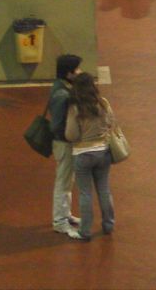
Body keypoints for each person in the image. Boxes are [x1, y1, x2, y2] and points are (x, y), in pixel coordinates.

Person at [64, 72, 117, 241]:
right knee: (104, 189)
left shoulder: (75, 108)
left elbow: (71, 134)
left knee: (85, 193)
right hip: (103, 152)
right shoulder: (103, 103)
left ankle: (85, 231)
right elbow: (111, 123)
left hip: (83, 153)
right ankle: (108, 224)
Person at [49, 53, 82, 239]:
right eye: (76, 69)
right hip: (63, 143)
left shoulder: (63, 87)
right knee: (63, 182)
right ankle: (59, 222)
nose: (79, 71)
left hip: (65, 143)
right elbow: (57, 124)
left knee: (68, 180)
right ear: (69, 73)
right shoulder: (62, 95)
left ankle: (65, 214)